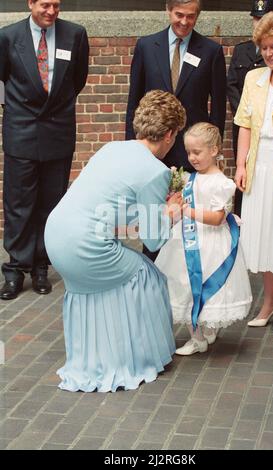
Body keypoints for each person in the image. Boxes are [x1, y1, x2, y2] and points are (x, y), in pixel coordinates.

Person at [44, 90, 186, 392]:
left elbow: (111, 212)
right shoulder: (155, 171)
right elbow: (154, 238)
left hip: (55, 235)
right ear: (170, 134)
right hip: (85, 245)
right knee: (148, 276)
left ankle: (97, 355)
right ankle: (135, 358)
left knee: (121, 273)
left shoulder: (111, 148)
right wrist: (171, 212)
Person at [0, 0, 89, 300]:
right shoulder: (8, 36)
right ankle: (15, 269)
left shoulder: (75, 35)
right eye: (44, 5)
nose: (51, 11)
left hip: (57, 130)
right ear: (30, 4)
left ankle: (41, 266)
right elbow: (3, 78)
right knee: (19, 202)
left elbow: (78, 80)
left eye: (56, 5)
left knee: (51, 204)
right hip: (21, 131)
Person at [126, 0, 226, 262]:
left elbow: (217, 105)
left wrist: (213, 151)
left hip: (191, 150)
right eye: (179, 15)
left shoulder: (211, 51)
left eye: (191, 16)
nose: (184, 21)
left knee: (187, 213)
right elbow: (133, 100)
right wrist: (133, 149)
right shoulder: (147, 46)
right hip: (154, 149)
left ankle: (186, 271)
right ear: (168, 10)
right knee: (154, 214)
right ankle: (153, 265)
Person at [155, 123, 252, 355]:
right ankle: (197, 336)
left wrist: (189, 212)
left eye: (197, 152)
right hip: (186, 240)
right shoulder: (190, 178)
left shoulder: (221, 184)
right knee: (186, 285)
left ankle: (205, 333)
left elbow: (218, 218)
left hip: (210, 243)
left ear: (214, 150)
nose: (192, 157)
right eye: (189, 152)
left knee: (206, 285)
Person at [234, 11, 273, 336]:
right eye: (265, 47)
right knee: (267, 237)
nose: (270, 53)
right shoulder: (253, 80)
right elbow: (244, 124)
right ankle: (269, 300)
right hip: (260, 168)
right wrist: (241, 165)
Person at [227, 0, 273, 216]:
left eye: (264, 19)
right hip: (245, 126)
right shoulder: (242, 51)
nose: (259, 24)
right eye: (256, 19)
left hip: (272, 127)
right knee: (243, 173)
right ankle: (241, 218)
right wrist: (249, 116)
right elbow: (232, 86)